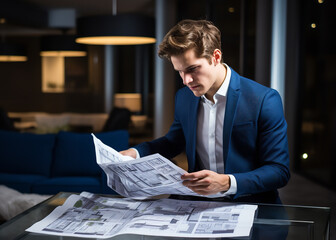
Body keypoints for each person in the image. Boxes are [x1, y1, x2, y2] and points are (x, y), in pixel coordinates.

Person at [120, 19, 290, 204]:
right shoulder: (184, 97)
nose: (186, 80)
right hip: (198, 203)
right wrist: (135, 153)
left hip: (252, 203)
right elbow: (172, 143)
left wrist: (226, 183)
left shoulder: (264, 99)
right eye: (180, 71)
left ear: (216, 57)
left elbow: (278, 171)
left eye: (193, 69)